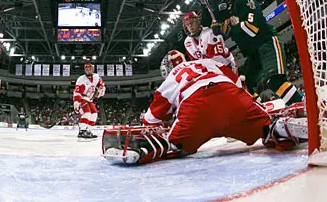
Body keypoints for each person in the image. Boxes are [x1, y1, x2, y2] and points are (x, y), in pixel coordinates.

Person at [102, 50, 305, 164]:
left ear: (167, 69)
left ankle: (146, 149)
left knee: (173, 145)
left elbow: (152, 119)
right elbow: (236, 84)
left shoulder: (172, 77)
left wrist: (160, 123)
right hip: (232, 98)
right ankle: (280, 128)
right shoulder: (208, 62)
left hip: (196, 108)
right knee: (265, 128)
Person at [213, 0, 302, 106]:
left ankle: (301, 106)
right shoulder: (231, 8)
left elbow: (251, 28)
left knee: (275, 81)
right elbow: (228, 32)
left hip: (266, 43)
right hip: (253, 52)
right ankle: (261, 111)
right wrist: (220, 27)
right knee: (246, 83)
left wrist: (233, 26)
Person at [73, 62, 106, 140]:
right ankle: (82, 130)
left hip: (89, 99)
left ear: (93, 69)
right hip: (82, 98)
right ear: (85, 70)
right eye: (87, 69)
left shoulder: (96, 77)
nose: (88, 70)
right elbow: (77, 92)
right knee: (86, 113)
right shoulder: (81, 79)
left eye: (90, 69)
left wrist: (101, 90)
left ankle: (88, 130)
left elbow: (101, 85)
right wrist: (76, 102)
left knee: (94, 113)